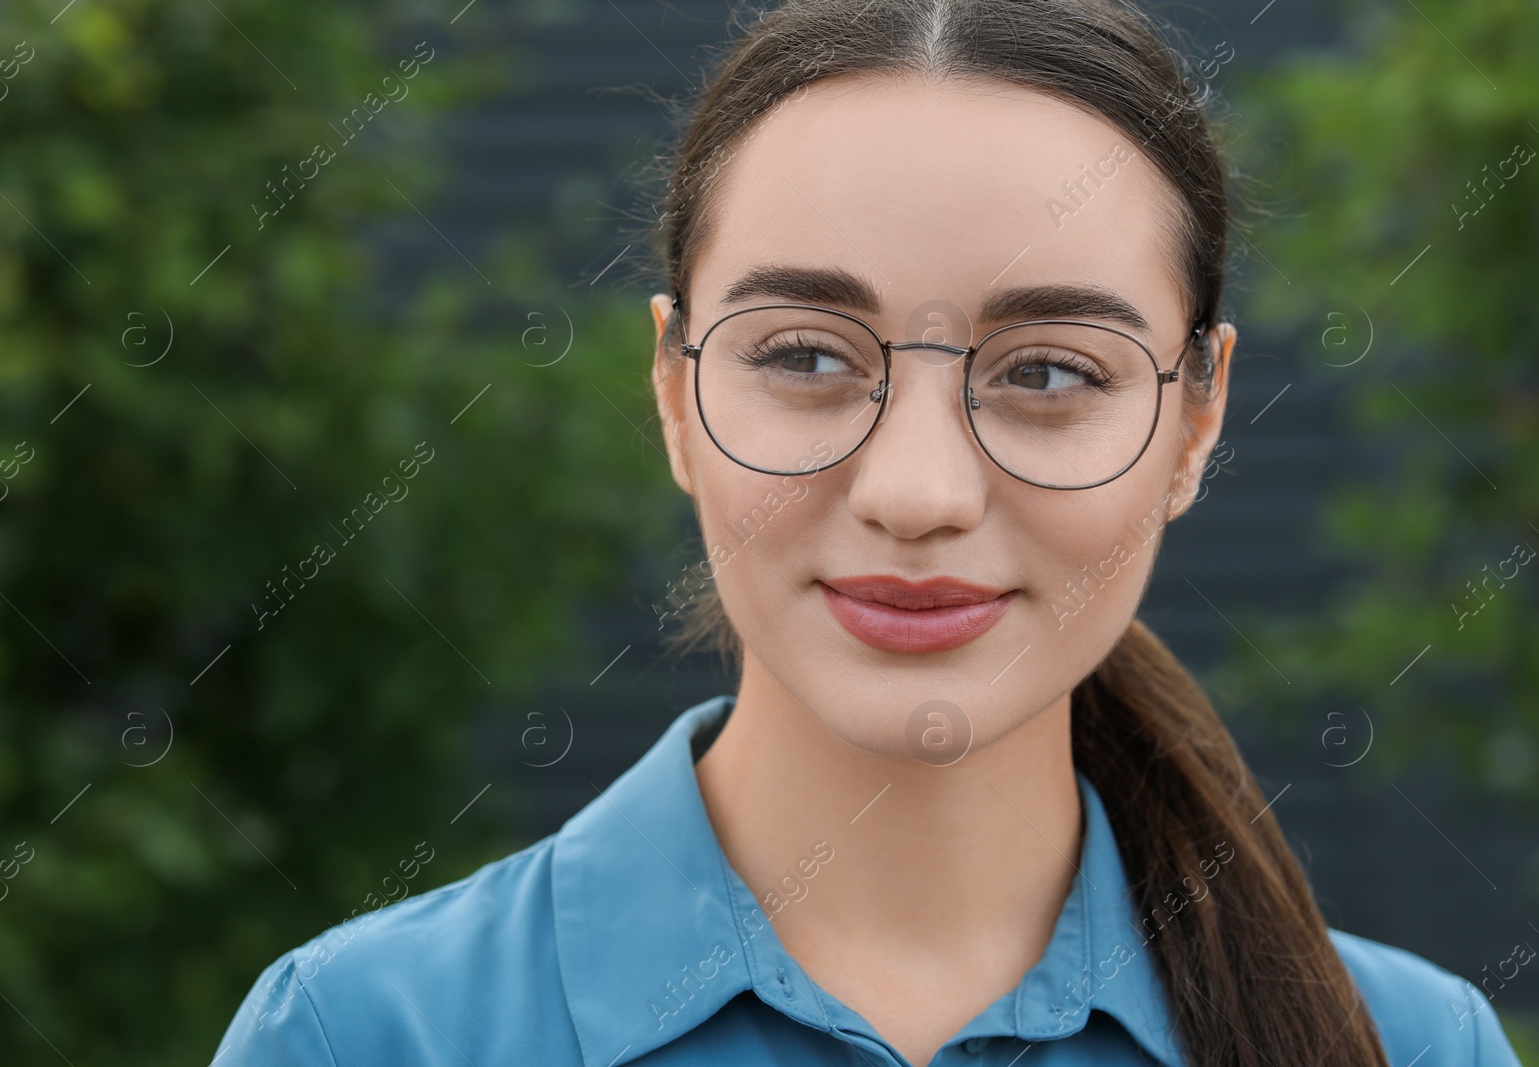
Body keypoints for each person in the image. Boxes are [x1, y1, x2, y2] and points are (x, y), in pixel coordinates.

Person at [210, 1, 1527, 1064]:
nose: (918, 491)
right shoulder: (368, 1036)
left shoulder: (1405, 1047)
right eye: (804, 354)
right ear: (674, 397)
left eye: (1050, 373)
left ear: (1195, 422)